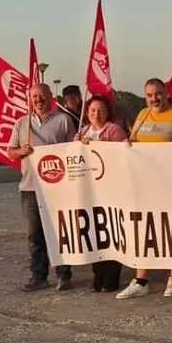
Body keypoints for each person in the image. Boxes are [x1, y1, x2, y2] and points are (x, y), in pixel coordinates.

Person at [116, 78, 172, 299]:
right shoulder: (142, 115)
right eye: (150, 95)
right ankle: (141, 280)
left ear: (166, 92)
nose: (154, 98)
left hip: (171, 185)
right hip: (145, 185)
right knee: (144, 229)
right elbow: (134, 144)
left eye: (158, 93)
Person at [6, 83, 77, 292]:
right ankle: (39, 275)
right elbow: (10, 151)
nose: (38, 99)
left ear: (50, 96)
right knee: (35, 235)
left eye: (42, 95)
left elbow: (73, 150)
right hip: (30, 187)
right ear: (30, 99)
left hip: (58, 188)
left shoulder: (63, 121)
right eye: (34, 96)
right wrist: (20, 151)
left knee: (60, 233)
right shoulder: (22, 123)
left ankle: (64, 275)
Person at [74, 94, 129, 293]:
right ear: (87, 113)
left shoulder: (114, 130)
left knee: (112, 232)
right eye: (93, 110)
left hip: (111, 190)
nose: (97, 114)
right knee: (93, 234)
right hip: (90, 191)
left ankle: (112, 277)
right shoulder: (82, 131)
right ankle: (97, 275)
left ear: (108, 112)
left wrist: (94, 145)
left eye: (101, 110)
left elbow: (118, 155)